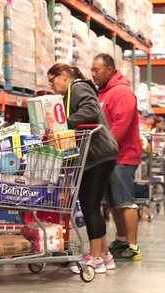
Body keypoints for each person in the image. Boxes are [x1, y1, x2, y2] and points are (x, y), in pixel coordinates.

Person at [47, 63, 119, 273]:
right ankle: (105, 255)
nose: (52, 86)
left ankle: (95, 258)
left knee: (89, 206)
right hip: (96, 156)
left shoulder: (77, 87)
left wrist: (65, 123)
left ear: (63, 76)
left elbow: (91, 109)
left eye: (52, 80)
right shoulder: (70, 93)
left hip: (98, 154)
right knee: (92, 205)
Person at [91, 53, 143, 261]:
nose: (93, 74)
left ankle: (133, 245)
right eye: (92, 70)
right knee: (114, 202)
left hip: (123, 155)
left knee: (125, 201)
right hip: (110, 156)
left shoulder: (121, 92)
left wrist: (105, 147)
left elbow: (121, 124)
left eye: (97, 70)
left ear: (110, 70)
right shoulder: (104, 93)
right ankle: (121, 239)